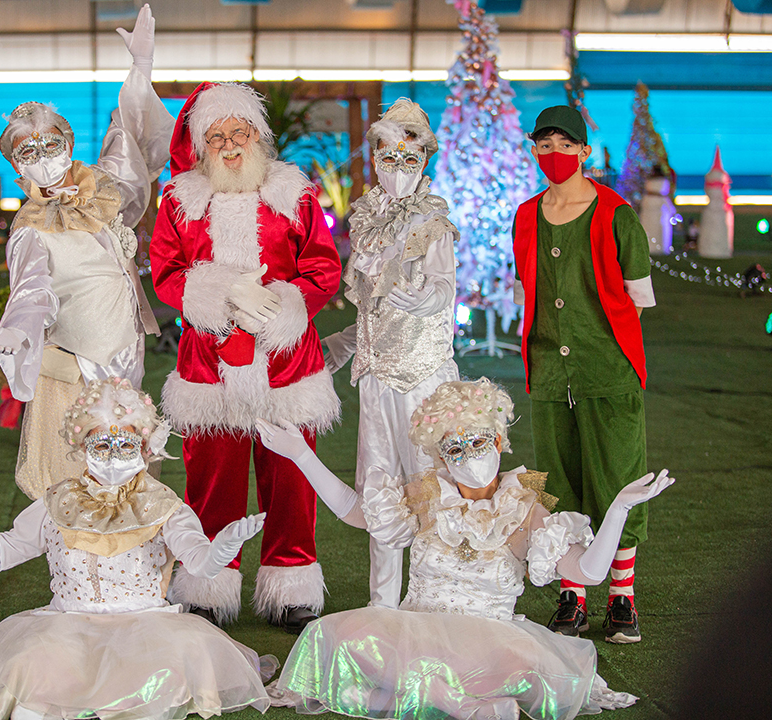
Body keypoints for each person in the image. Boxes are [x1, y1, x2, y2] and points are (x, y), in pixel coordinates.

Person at [256, 378, 674, 720]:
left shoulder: (523, 509)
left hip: (492, 640)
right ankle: (452, 700)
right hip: (413, 632)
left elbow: (586, 573)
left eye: (476, 442)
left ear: (497, 440)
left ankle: (446, 699)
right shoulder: (427, 495)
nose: (467, 456)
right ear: (440, 453)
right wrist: (303, 456)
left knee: (464, 679)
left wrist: (618, 511)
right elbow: (354, 511)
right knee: (326, 635)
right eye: (454, 448)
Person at [0, 378, 273, 720]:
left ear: (145, 449)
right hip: (65, 629)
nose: (114, 456)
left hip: (147, 633)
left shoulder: (165, 506)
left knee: (142, 704)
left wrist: (222, 547)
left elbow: (201, 565)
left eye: (126, 445)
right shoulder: (57, 501)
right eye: (102, 444)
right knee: (30, 706)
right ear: (82, 446)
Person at [148, 81, 343, 633]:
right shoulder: (181, 200)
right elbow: (165, 273)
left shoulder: (294, 192)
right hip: (209, 363)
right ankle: (208, 584)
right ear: (201, 145)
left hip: (285, 364)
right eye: (216, 136)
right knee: (212, 480)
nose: (230, 144)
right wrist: (218, 296)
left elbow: (323, 267)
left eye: (240, 131)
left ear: (258, 135)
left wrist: (283, 306)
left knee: (291, 478)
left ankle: (291, 588)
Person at [0, 4, 171, 502]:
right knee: (79, 470)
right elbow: (32, 290)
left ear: (68, 141)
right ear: (16, 165)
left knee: (131, 461)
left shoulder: (102, 189)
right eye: (28, 151)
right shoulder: (29, 228)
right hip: (81, 360)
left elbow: (129, 135)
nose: (44, 156)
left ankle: (134, 568)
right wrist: (19, 330)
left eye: (50, 143)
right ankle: (82, 573)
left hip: (126, 348)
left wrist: (141, 69)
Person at [513, 106, 657, 642]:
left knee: (616, 479)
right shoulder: (526, 215)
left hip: (608, 373)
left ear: (583, 151)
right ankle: (573, 595)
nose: (554, 154)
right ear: (534, 150)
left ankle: (623, 599)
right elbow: (528, 290)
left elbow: (637, 301)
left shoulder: (617, 216)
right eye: (544, 144)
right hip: (549, 373)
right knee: (558, 485)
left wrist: (599, 348)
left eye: (564, 144)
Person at [322, 99, 459, 609]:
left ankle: (429, 601)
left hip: (424, 378)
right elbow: (369, 310)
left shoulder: (432, 223)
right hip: (376, 379)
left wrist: (431, 297)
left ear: (424, 161)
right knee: (379, 490)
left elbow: (445, 284)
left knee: (430, 489)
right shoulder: (368, 222)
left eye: (410, 160)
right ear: (375, 159)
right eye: (388, 159)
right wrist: (339, 348)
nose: (398, 171)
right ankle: (382, 605)